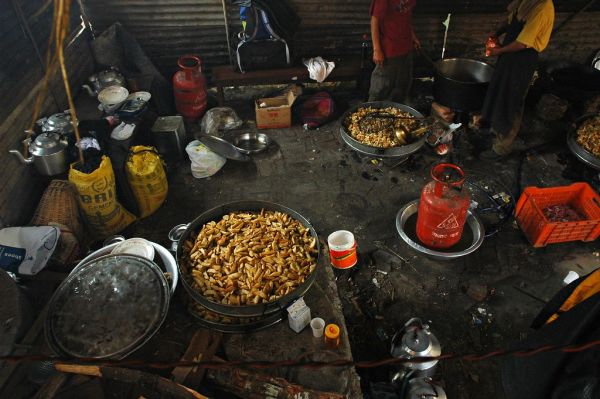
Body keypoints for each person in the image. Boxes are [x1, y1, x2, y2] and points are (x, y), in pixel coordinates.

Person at [479, 0, 555, 160]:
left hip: (522, 60)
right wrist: (496, 33)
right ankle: (495, 129)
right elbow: (511, 20)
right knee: (499, 92)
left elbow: (522, 43)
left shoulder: (543, 7)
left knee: (512, 102)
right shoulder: (526, 1)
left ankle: (501, 148)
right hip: (508, 57)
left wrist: (498, 51)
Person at [368, 0, 420, 103]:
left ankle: (395, 113)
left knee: (402, 86)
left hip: (406, 48)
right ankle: (371, 113)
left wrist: (413, 37)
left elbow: (407, 17)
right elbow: (374, 21)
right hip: (389, 50)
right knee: (381, 87)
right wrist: (377, 49)